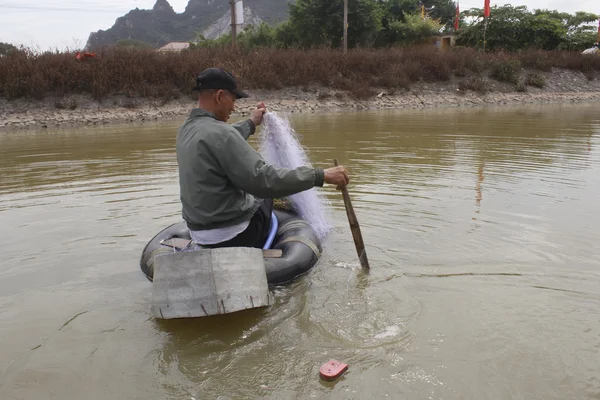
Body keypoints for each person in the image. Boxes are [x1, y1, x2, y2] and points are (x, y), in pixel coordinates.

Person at [176, 67, 349, 249]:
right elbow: (264, 180)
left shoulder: (186, 130)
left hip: (199, 233)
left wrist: (251, 123)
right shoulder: (222, 134)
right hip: (233, 235)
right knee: (266, 197)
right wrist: (320, 175)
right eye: (233, 100)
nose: (233, 107)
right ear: (220, 96)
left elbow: (222, 139)